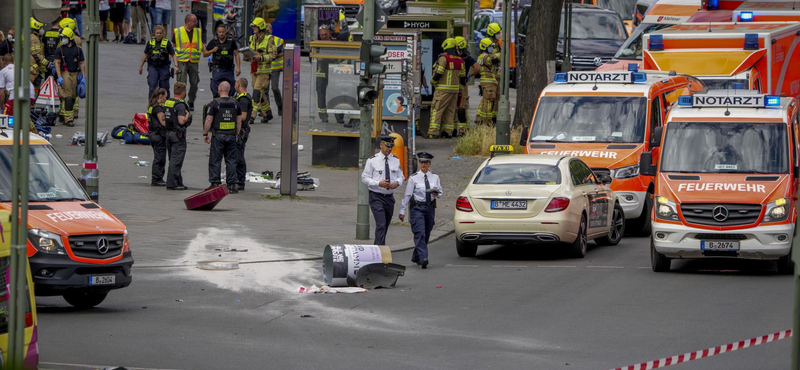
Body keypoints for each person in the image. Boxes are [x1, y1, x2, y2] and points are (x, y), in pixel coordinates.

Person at [399, 152, 442, 269]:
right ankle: (423, 258)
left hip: (429, 207)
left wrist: (436, 193)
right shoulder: (413, 178)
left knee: (427, 233)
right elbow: (407, 195)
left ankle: (416, 256)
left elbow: (440, 193)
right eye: (422, 162)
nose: (423, 164)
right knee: (420, 233)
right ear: (419, 163)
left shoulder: (435, 177)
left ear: (429, 163)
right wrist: (402, 210)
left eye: (426, 162)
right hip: (417, 208)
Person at [360, 135, 404, 245]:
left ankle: (379, 247)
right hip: (376, 196)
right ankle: (379, 249)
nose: (389, 149)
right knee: (381, 224)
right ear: (381, 145)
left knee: (385, 225)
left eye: (391, 147)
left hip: (389, 197)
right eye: (387, 146)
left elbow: (401, 176)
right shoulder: (372, 161)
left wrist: (397, 183)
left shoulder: (395, 160)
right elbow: (364, 178)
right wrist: (378, 183)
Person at [203, 81, 242, 193]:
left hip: (218, 135)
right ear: (229, 90)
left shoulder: (215, 103)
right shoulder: (235, 103)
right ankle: (232, 184)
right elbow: (239, 121)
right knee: (231, 161)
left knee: (215, 160)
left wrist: (205, 134)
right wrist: (237, 133)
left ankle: (215, 183)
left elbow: (208, 120)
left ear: (220, 90)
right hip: (231, 135)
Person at [427, 38, 466, 139]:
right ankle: (447, 132)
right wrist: (460, 89)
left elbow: (439, 72)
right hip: (455, 91)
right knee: (450, 111)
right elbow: (463, 77)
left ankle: (433, 132)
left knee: (436, 109)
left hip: (442, 90)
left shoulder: (444, 58)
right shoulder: (460, 60)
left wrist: (432, 82)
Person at [55, 27, 85, 127]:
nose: (63, 39)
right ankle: (68, 119)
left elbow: (81, 63)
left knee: (73, 96)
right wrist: (59, 76)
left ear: (70, 38)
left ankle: (64, 115)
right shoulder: (60, 50)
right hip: (65, 74)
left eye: (64, 37)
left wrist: (83, 76)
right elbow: (57, 63)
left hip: (75, 74)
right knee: (67, 96)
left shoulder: (78, 50)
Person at [164, 82, 191, 190]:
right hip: (177, 135)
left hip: (168, 133)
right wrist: (187, 115)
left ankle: (178, 181)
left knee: (173, 159)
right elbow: (181, 120)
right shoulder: (180, 105)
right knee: (176, 160)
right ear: (183, 92)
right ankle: (172, 183)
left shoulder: (168, 102)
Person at [315, 25, 344, 124]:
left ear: (329, 33)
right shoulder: (317, 44)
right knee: (321, 94)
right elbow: (311, 58)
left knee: (336, 94)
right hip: (321, 73)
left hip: (333, 73)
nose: (323, 36)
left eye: (325, 34)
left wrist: (326, 58)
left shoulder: (334, 44)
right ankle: (323, 116)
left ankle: (339, 116)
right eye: (321, 35)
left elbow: (339, 58)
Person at [139, 25, 178, 99]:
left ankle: (166, 104)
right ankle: (151, 104)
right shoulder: (150, 42)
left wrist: (176, 66)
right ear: (154, 33)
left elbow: (173, 54)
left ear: (163, 33)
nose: (159, 35)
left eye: (160, 33)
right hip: (153, 66)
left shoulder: (167, 43)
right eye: (157, 33)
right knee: (152, 86)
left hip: (164, 67)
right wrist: (140, 66)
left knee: (164, 86)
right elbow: (145, 54)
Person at [174, 14, 204, 111]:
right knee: (181, 83)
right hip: (182, 61)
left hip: (194, 62)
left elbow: (201, 45)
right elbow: (172, 46)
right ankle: (181, 101)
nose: (196, 23)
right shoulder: (178, 31)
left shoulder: (198, 32)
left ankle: (191, 101)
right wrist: (174, 63)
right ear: (188, 22)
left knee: (194, 83)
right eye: (194, 21)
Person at [248, 17, 275, 123]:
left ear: (261, 27)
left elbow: (273, 55)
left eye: (255, 26)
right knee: (261, 93)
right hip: (254, 69)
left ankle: (252, 116)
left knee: (256, 92)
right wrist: (247, 55)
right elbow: (250, 50)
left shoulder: (269, 39)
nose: (253, 28)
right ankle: (267, 113)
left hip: (264, 71)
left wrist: (262, 57)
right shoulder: (252, 38)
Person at [204, 24, 240, 99]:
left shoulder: (231, 41)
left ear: (226, 32)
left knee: (231, 89)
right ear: (217, 32)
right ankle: (217, 103)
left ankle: (229, 103)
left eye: (223, 32)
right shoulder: (214, 41)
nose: (221, 34)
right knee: (215, 88)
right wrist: (212, 50)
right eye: (220, 32)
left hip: (229, 69)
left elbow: (236, 54)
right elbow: (205, 54)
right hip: (218, 69)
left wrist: (238, 67)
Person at [454, 36, 478, 136]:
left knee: (461, 107)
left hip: (460, 84)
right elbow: (476, 68)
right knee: (457, 106)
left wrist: (468, 75)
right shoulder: (467, 57)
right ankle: (456, 128)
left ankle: (463, 129)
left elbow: (477, 68)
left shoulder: (465, 57)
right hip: (459, 83)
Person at [233, 78, 253, 191]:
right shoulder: (243, 97)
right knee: (237, 154)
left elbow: (243, 116)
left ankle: (240, 181)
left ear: (239, 85)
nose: (234, 86)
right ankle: (238, 179)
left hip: (242, 131)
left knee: (238, 155)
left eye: (236, 84)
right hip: (243, 130)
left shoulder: (243, 99)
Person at [147, 88, 168, 187]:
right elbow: (163, 122)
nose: (166, 98)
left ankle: (157, 178)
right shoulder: (158, 108)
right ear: (160, 96)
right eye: (165, 96)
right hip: (158, 135)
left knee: (158, 156)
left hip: (152, 134)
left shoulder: (151, 107)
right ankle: (156, 178)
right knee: (160, 158)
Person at [475, 38, 499, 126]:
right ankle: (487, 122)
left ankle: (479, 119)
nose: (491, 48)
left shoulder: (481, 57)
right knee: (489, 102)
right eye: (490, 47)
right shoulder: (486, 57)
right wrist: (500, 53)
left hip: (485, 81)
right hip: (489, 82)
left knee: (484, 101)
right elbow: (494, 60)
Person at [268, 24, 284, 116]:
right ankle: (266, 110)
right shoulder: (261, 40)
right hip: (264, 68)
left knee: (274, 88)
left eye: (268, 30)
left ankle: (280, 106)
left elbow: (284, 52)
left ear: (271, 30)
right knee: (264, 89)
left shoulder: (278, 40)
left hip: (275, 68)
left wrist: (273, 55)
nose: (267, 32)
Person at [30, 17, 46, 88]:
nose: (42, 29)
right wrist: (48, 63)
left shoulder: (33, 37)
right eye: (41, 27)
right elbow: (36, 55)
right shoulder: (34, 39)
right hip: (33, 71)